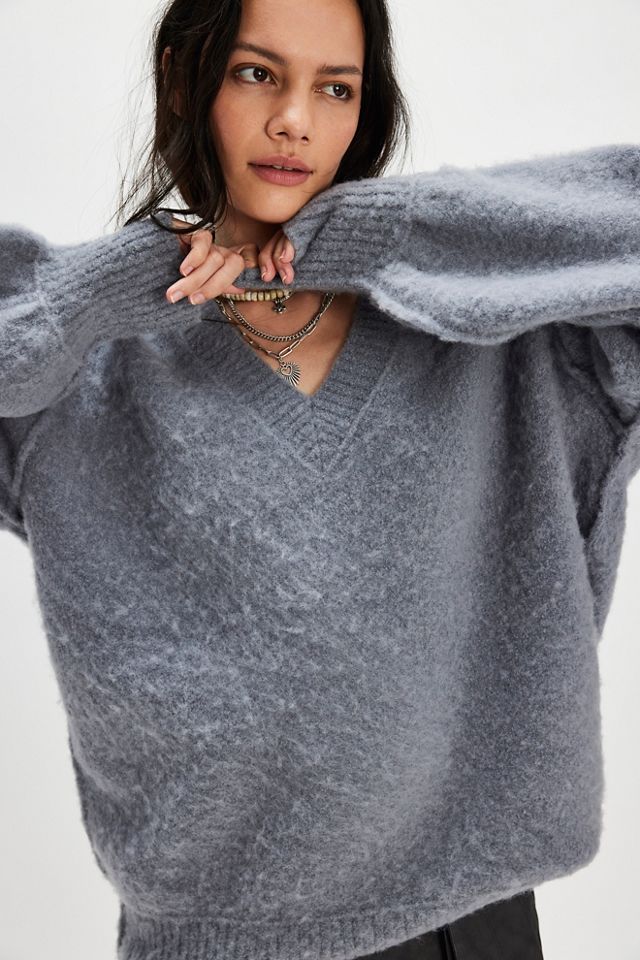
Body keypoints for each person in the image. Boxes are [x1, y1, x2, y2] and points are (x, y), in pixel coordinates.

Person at [1, 0, 639, 958]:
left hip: (470, 924)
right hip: (214, 940)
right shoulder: (84, 372)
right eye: (257, 73)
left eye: (335, 89)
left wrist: (386, 237)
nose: (295, 120)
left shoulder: (482, 330)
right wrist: (118, 280)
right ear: (183, 78)